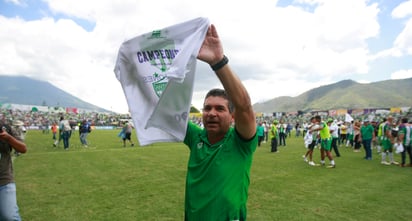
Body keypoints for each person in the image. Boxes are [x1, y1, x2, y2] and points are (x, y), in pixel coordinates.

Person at [182, 24, 257, 220]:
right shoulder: (195, 136)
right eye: (207, 108)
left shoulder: (241, 142)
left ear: (232, 116)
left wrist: (218, 62)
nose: (211, 113)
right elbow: (168, 109)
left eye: (220, 108)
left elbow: (245, 106)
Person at [0, 121, 27, 220]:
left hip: (4, 180)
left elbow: (23, 148)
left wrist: (8, 138)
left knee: (9, 216)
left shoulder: (5, 128)